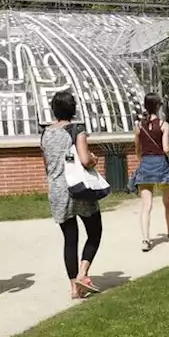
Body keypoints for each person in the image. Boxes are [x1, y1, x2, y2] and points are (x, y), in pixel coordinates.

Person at [41, 90, 103, 300]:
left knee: (70, 238)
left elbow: (47, 165)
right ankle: (83, 274)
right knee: (95, 231)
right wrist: (94, 159)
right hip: (78, 188)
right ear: (73, 108)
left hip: (57, 190)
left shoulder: (46, 133)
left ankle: (73, 288)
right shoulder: (77, 130)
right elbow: (85, 159)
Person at [130, 93, 169, 252]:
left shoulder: (139, 126)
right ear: (158, 106)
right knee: (167, 202)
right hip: (161, 166)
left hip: (146, 165)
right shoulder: (163, 125)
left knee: (146, 205)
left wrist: (142, 158)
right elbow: (166, 148)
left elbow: (137, 148)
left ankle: (146, 239)